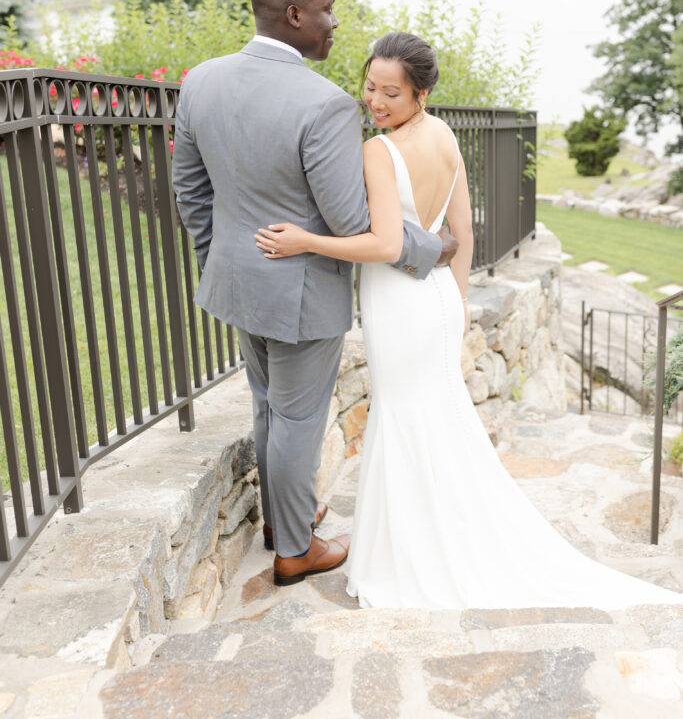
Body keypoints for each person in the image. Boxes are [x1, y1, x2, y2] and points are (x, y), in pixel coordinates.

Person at [255, 31, 683, 610]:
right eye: (370, 87)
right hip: (435, 300)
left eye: (391, 93)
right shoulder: (445, 135)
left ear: (421, 92)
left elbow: (384, 245)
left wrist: (306, 239)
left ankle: (407, 557)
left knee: (404, 421)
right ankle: (436, 537)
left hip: (399, 302)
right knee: (432, 421)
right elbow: (464, 233)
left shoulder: (378, 152)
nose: (375, 102)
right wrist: (455, 305)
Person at [172, 0, 457, 588]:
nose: (335, 22)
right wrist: (431, 246)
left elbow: (190, 193)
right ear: (295, 14)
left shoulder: (202, 80)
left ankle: (283, 520)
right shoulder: (324, 105)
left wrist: (220, 260)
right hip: (299, 292)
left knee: (269, 406)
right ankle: (295, 551)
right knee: (297, 419)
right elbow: (354, 218)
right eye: (327, 9)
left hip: (237, 282)